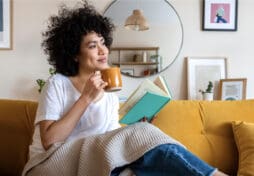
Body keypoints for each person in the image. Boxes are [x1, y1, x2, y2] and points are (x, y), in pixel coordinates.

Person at [25, 1, 228, 176]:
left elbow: (111, 143)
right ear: (74, 54)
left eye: (103, 43)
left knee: (136, 167)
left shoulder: (110, 93)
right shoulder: (58, 84)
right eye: (92, 45)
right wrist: (85, 99)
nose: (103, 50)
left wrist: (137, 127)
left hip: (89, 163)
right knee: (141, 136)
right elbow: (49, 141)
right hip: (49, 164)